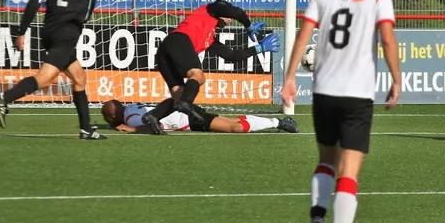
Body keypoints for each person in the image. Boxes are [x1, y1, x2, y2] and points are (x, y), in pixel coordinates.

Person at [282, 0, 401, 223]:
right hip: (358, 94)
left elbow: (304, 35)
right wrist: (396, 78)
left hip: (324, 91)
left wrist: (290, 78)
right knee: (349, 172)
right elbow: (388, 40)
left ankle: (317, 220)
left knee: (325, 162)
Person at [0, 0, 105, 140]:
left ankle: (86, 129)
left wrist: (21, 32)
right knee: (44, 79)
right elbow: (88, 12)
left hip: (49, 32)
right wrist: (78, 19)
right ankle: (4, 98)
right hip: (67, 33)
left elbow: (34, 3)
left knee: (79, 78)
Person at [140, 0, 280, 135]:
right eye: (228, 17)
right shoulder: (211, 10)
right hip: (178, 40)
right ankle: (185, 104)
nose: (230, 20)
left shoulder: (211, 38)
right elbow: (236, 12)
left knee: (179, 96)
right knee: (198, 76)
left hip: (164, 53)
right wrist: (248, 26)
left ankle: (153, 116)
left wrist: (259, 48)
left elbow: (232, 55)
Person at [100, 98, 299, 134]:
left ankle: (279, 122)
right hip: (185, 111)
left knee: (234, 128)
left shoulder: (131, 118)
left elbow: (156, 127)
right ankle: (279, 122)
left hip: (187, 119)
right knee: (232, 122)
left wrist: (133, 129)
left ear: (112, 117)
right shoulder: (133, 106)